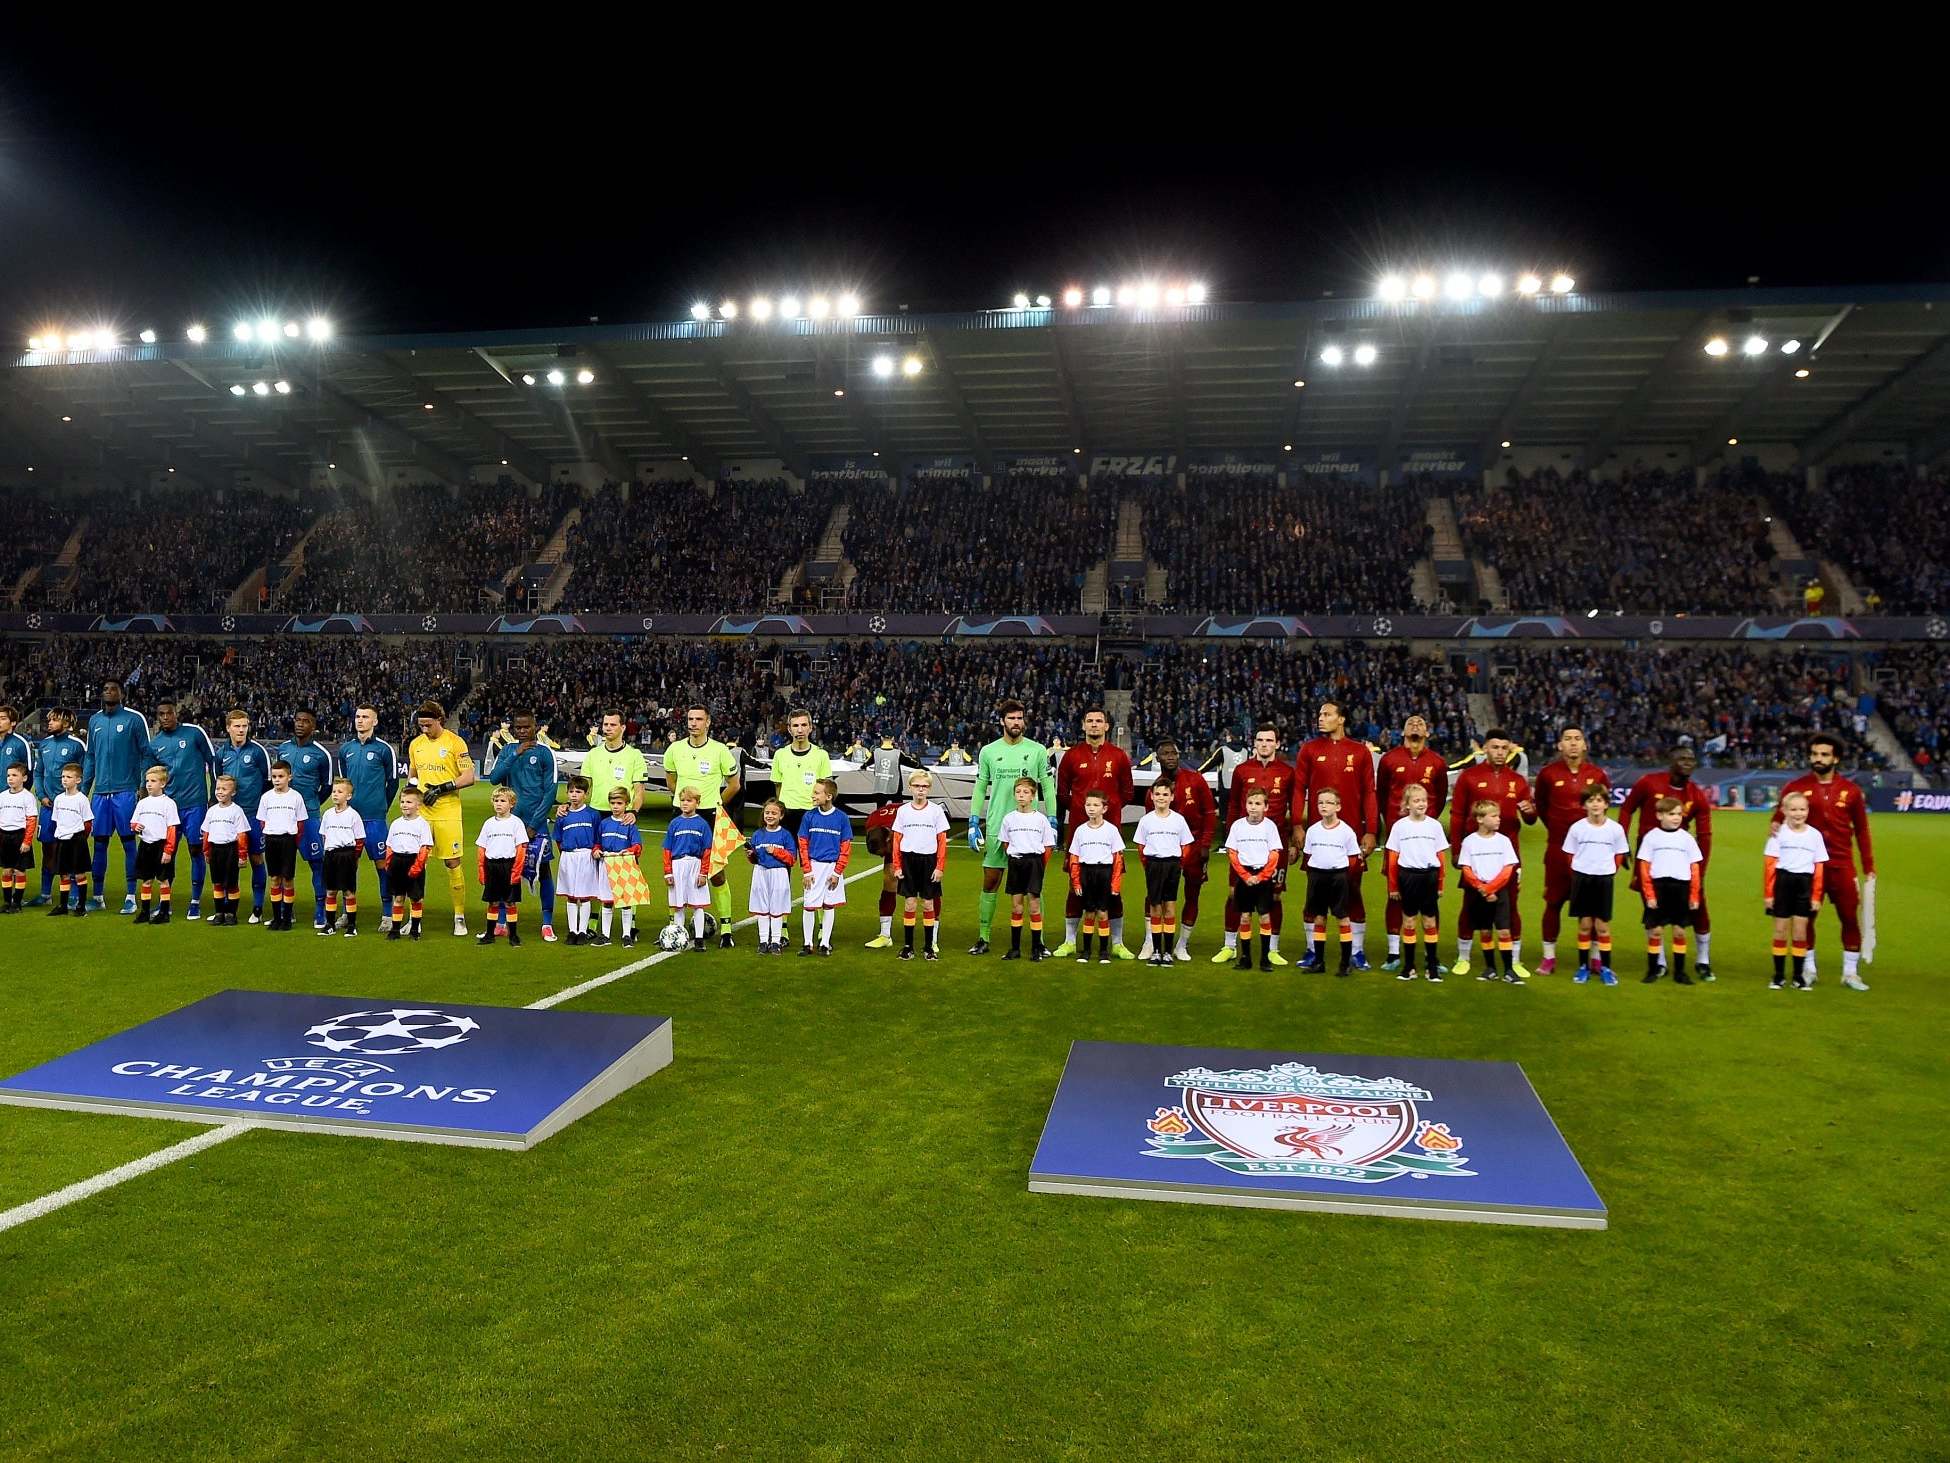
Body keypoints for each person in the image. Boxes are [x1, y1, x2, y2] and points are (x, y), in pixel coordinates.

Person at [1771, 734, 1875, 991]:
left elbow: (1862, 830)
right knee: (1804, 919)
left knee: (1849, 917)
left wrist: (1868, 866)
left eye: (1824, 754)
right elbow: (1777, 822)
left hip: (1841, 864)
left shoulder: (1851, 791)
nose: (1818, 759)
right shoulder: (1795, 788)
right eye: (1815, 754)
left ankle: (1850, 973)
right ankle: (1808, 968)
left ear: (1835, 758)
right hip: (1807, 868)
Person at [967, 699, 1057, 955]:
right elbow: (980, 787)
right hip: (998, 826)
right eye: (1011, 718)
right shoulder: (988, 751)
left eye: (1019, 718)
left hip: (1030, 831)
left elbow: (1048, 787)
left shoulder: (1038, 750)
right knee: (991, 882)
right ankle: (983, 938)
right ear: (1002, 721)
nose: (1016, 723)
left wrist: (1052, 820)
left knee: (1033, 890)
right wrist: (974, 821)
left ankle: (1037, 942)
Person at [1297, 700, 1379, 971]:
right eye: (1319, 713)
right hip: (1319, 837)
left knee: (1353, 893)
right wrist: (1298, 824)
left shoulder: (1359, 752)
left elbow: (1369, 791)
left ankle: (1356, 951)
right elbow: (1299, 790)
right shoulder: (1309, 750)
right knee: (1314, 896)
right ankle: (1312, 950)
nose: (1321, 718)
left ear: (1341, 719)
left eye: (1327, 714)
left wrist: (1371, 830)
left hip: (1350, 837)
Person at [1620, 745, 1715, 978]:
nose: (1687, 762)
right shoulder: (1649, 783)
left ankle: (1703, 960)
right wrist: (1621, 846)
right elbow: (1626, 809)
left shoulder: (1696, 794)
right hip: (1650, 857)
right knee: (1653, 908)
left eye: (1691, 759)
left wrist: (1699, 871)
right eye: (1681, 758)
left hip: (1682, 861)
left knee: (1698, 909)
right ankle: (1659, 962)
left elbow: (1705, 834)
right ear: (1669, 761)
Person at [1447, 730, 1536, 978]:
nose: (1499, 752)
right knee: (1470, 906)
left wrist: (1529, 811)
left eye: (1504, 748)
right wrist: (1456, 849)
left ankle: (1514, 961)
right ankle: (1463, 956)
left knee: (1511, 907)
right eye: (1495, 747)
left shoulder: (1517, 781)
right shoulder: (1470, 777)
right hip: (1475, 854)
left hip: (1508, 855)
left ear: (1509, 750)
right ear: (1485, 748)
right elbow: (1456, 815)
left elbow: (1530, 818)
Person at [1052, 708, 1135, 958]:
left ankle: (1117, 943)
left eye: (1099, 721)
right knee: (1075, 887)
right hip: (1080, 832)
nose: (1094, 725)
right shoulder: (1071, 756)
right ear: (1083, 725)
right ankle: (1069, 941)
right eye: (1090, 721)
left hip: (1110, 835)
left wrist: (1110, 811)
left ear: (1107, 726)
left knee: (1114, 889)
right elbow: (1061, 793)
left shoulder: (1119, 756)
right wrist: (1080, 810)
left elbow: (1128, 792)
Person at [1212, 725, 1297, 965]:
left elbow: (1293, 807)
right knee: (1234, 895)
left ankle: (1272, 949)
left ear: (1277, 744)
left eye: (1269, 740)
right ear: (1255, 742)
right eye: (1260, 740)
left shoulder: (1287, 772)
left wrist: (1292, 842)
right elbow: (1232, 806)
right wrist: (1229, 835)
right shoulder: (1241, 770)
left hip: (1274, 845)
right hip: (1244, 846)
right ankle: (1230, 946)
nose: (1264, 744)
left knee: (1275, 897)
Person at [662, 705, 742, 947]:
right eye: (690, 719)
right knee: (677, 871)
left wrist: (716, 803)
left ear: (708, 722)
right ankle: (674, 928)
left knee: (715, 873)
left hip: (709, 816)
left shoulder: (719, 750)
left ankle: (726, 929)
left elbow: (734, 784)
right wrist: (686, 803)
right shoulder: (674, 749)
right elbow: (671, 781)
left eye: (698, 719)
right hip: (681, 815)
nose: (693, 723)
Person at [1533, 726, 1610, 975]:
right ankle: (1548, 957)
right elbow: (1542, 807)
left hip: (1591, 853)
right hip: (1557, 849)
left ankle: (1595, 959)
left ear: (1585, 745)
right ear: (1560, 745)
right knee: (1553, 902)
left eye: (1578, 739)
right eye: (1568, 739)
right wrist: (1558, 831)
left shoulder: (1597, 774)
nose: (1573, 743)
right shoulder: (1547, 774)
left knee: (1593, 908)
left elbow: (1604, 809)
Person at [1376, 715, 1448, 972]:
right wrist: (1395, 823)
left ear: (1428, 732)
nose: (1415, 725)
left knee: (1430, 900)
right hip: (1399, 837)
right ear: (1402, 730)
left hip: (1424, 838)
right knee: (1394, 894)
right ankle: (1395, 952)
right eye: (1410, 722)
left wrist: (1424, 824)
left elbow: (1439, 799)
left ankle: (1432, 957)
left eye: (1420, 723)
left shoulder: (1437, 762)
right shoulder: (1389, 760)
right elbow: (1381, 794)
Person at [486, 711, 562, 942]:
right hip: (508, 824)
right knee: (504, 869)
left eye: (525, 727)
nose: (521, 731)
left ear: (534, 727)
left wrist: (533, 824)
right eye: (517, 728)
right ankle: (501, 921)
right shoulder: (509, 750)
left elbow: (550, 792)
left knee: (543, 870)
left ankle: (547, 923)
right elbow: (494, 778)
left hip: (535, 824)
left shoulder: (545, 752)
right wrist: (515, 754)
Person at [407, 700, 478, 937]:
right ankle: (414, 917)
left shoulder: (455, 743)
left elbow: (469, 776)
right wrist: (412, 793)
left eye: (428, 725)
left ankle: (459, 917)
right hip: (423, 812)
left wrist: (441, 788)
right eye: (421, 726)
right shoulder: (416, 744)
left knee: (452, 863)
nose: (424, 730)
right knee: (417, 862)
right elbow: (413, 775)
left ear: (440, 720)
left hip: (447, 810)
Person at [84, 679, 150, 913]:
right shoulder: (95, 721)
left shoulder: (134, 719)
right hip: (101, 793)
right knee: (99, 844)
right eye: (105, 689)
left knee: (129, 844)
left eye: (113, 689)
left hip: (125, 792)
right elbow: (90, 756)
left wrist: (142, 788)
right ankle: (98, 897)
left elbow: (146, 754)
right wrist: (84, 790)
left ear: (121, 693)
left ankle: (131, 896)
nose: (108, 692)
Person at [147, 702, 216, 920]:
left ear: (176, 714)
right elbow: (150, 774)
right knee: (167, 854)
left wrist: (213, 794)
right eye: (161, 714)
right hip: (168, 807)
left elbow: (212, 761)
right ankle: (164, 902)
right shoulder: (155, 743)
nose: (165, 717)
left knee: (196, 850)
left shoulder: (194, 733)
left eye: (169, 713)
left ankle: (195, 901)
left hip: (194, 804)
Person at [1149, 739, 1215, 962]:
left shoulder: (1194, 779)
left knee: (1192, 893)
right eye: (1165, 753)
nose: (1170, 757)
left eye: (1173, 753)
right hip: (1165, 851)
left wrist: (1205, 843)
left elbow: (1209, 812)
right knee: (1155, 895)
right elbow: (1150, 822)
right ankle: (1152, 942)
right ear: (1157, 758)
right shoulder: (1156, 789)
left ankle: (1182, 944)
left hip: (1194, 847)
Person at [341, 704, 402, 932]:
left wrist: (382, 805)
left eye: (365, 717)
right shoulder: (346, 749)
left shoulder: (384, 750)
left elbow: (393, 782)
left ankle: (387, 914)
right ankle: (349, 912)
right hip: (350, 819)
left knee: (382, 865)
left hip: (375, 818)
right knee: (349, 866)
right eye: (357, 716)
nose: (360, 720)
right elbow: (345, 783)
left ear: (375, 721)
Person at [1562, 787, 1629, 985]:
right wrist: (1580, 870)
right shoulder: (1577, 828)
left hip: (1603, 880)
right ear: (1584, 805)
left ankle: (1606, 967)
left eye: (1599, 800)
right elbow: (1569, 854)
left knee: (1602, 926)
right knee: (1584, 925)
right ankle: (1583, 967)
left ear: (1606, 804)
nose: (1595, 804)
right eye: (1591, 800)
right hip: (1582, 878)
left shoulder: (1615, 829)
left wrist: (1608, 871)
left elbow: (1619, 855)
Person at [276, 708, 336, 930]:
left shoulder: (322, 754)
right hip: (283, 817)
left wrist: (310, 804)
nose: (300, 724)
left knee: (317, 863)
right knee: (283, 867)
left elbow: (327, 786)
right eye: (298, 720)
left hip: (309, 817)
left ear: (313, 726)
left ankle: (321, 909)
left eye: (306, 721)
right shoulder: (283, 749)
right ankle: (285, 910)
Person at [1637, 797, 1704, 985]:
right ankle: (1652, 970)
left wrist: (1694, 895)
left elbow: (1695, 869)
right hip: (1659, 888)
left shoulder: (1687, 838)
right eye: (1671, 814)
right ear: (1659, 815)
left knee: (1679, 932)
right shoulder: (1651, 837)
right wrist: (1649, 895)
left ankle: (1680, 972)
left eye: (1679, 814)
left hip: (1681, 888)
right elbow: (1644, 867)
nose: (1676, 818)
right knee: (1655, 931)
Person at [1383, 782, 1446, 982]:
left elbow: (1441, 856)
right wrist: (1392, 886)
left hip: (1429, 876)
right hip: (1407, 876)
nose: (1421, 804)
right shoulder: (1400, 826)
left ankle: (1432, 966)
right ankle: (1409, 966)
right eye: (1416, 800)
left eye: (1424, 800)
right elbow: (1393, 857)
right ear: (1407, 804)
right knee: (1408, 921)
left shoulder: (1434, 825)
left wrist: (1441, 884)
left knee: (1429, 921)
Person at [1764, 792, 1827, 991]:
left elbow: (1819, 868)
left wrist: (1816, 896)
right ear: (1784, 811)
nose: (1798, 813)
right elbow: (1770, 865)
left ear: (1808, 811)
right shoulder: (1778, 834)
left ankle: (1799, 977)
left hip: (1804, 885)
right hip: (1783, 883)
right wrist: (1768, 894)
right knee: (1780, 930)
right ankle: (1778, 976)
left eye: (1802, 809)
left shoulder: (1815, 835)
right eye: (1793, 809)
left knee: (1800, 932)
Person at [215, 710, 273, 923]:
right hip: (229, 816)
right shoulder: (221, 754)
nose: (241, 730)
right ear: (228, 727)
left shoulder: (258, 752)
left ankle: (257, 908)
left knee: (256, 858)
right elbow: (217, 782)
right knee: (229, 862)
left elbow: (268, 784)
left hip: (252, 815)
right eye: (237, 726)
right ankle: (229, 909)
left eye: (244, 726)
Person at [1457, 800, 1521, 984]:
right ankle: (1490, 968)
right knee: (1485, 931)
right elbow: (1467, 869)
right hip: (1480, 892)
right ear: (1480, 819)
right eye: (1493, 816)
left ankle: (1509, 969)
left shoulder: (1504, 841)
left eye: (1498, 815)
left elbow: (1508, 869)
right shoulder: (1469, 842)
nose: (1498, 819)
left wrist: (1491, 889)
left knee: (1503, 931)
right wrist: (1481, 888)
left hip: (1499, 892)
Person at [1301, 789, 1363, 976]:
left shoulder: (1346, 831)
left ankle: (1345, 963)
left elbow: (1353, 858)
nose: (1324, 806)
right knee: (1319, 917)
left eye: (1328, 803)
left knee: (1342, 918)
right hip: (1317, 876)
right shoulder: (1312, 830)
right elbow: (1309, 854)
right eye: (1320, 803)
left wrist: (1345, 878)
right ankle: (1319, 962)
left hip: (1338, 877)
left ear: (1338, 806)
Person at [996, 775, 1057, 961]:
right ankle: (1015, 949)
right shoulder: (1008, 819)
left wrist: (1038, 865)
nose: (1021, 796)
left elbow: (1048, 847)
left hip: (1034, 863)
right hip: (1016, 863)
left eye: (1026, 792)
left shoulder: (1040, 819)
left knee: (1034, 905)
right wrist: (1016, 857)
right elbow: (1006, 844)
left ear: (1033, 796)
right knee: (1016, 906)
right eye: (1018, 792)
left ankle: (1036, 947)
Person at [1134, 780, 1194, 967]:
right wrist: (1148, 864)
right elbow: (1141, 846)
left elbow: (1186, 845)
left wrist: (1178, 864)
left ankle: (1168, 951)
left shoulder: (1178, 820)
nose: (1161, 798)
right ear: (1152, 796)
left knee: (1169, 906)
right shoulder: (1146, 820)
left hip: (1172, 864)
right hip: (1154, 864)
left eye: (1165, 794)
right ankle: (1156, 950)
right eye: (1158, 794)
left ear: (1172, 797)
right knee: (1155, 906)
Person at [29, 709, 86, 907]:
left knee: (70, 850)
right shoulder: (44, 745)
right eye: (49, 720)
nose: (50, 723)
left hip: (69, 809)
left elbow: (85, 774)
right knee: (48, 849)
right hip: (48, 808)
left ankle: (73, 894)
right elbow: (38, 773)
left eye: (54, 720)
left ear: (66, 721)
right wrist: (42, 796)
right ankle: (45, 894)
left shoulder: (77, 745)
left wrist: (77, 799)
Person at [891, 770, 949, 961]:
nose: (920, 790)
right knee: (909, 902)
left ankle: (928, 946)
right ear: (910, 788)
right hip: (908, 860)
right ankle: (908, 946)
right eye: (916, 786)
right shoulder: (903, 811)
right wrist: (897, 865)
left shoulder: (936, 810)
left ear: (929, 789)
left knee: (928, 903)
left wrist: (939, 867)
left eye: (924, 786)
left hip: (929, 861)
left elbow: (941, 840)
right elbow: (897, 840)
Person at [1223, 789, 1280, 971]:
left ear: (1266, 807)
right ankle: (1245, 957)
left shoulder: (1270, 826)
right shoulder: (1238, 826)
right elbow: (1232, 853)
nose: (1253, 808)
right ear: (1245, 805)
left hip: (1263, 876)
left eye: (1258, 804)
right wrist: (1246, 876)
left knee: (1264, 916)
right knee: (1245, 916)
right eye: (1250, 804)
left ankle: (1264, 958)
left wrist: (1262, 876)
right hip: (1245, 876)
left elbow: (1274, 854)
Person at [1067, 790, 1125, 965]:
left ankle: (1103, 951)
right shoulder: (1080, 830)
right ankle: (1085, 951)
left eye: (1095, 805)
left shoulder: (1111, 830)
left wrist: (1115, 883)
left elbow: (1118, 859)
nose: (1091, 809)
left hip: (1104, 873)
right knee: (1089, 912)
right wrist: (1076, 880)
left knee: (1103, 913)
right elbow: (1074, 859)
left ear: (1104, 809)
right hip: (1087, 872)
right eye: (1088, 805)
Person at [797, 777, 852, 957]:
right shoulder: (809, 816)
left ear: (828, 796)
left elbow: (845, 848)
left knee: (829, 905)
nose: (812, 795)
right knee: (809, 905)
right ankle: (807, 943)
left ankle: (825, 943)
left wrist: (837, 872)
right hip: (813, 867)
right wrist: (807, 870)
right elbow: (802, 844)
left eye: (816, 792)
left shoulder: (842, 818)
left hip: (832, 869)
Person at [552, 775, 604, 946]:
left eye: (578, 792)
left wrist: (595, 851)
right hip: (569, 856)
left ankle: (583, 931)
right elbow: (558, 839)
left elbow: (598, 836)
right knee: (571, 896)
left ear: (586, 794)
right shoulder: (562, 815)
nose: (574, 795)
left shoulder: (593, 814)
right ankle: (572, 930)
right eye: (571, 791)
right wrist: (566, 854)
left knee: (585, 895)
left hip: (586, 856)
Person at [255, 759, 306, 932]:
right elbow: (262, 821)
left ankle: (287, 917)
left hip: (288, 840)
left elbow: (300, 824)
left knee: (288, 878)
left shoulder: (296, 797)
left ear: (289, 777)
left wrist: (292, 840)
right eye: (274, 776)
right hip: (272, 840)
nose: (277, 780)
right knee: (274, 878)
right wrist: (270, 832)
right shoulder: (266, 797)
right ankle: (276, 917)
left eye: (281, 776)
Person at [475, 786, 529, 947]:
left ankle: (513, 935)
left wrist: (516, 871)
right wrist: (481, 869)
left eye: (503, 801)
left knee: (510, 902)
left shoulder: (516, 823)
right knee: (492, 902)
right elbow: (481, 848)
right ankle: (489, 934)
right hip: (492, 866)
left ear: (511, 804)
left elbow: (521, 848)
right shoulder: (489, 824)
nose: (498, 804)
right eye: (496, 801)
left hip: (509, 865)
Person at [661, 786, 713, 952]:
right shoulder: (674, 823)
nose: (685, 803)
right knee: (678, 904)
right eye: (682, 800)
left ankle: (699, 939)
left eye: (689, 801)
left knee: (698, 905)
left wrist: (703, 872)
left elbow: (707, 851)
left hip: (695, 865)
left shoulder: (703, 824)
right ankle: (678, 935)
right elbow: (667, 849)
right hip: (677, 865)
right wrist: (668, 871)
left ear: (697, 803)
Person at [745, 798, 798, 954]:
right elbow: (755, 859)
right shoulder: (757, 835)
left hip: (779, 873)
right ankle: (763, 941)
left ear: (781, 816)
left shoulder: (786, 835)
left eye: (774, 813)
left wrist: (775, 851)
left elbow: (791, 859)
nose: (770, 816)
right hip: (761, 872)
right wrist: (751, 855)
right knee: (762, 908)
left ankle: (775, 941)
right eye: (767, 812)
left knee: (776, 908)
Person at [130, 764, 181, 924]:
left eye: (153, 781)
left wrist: (168, 850)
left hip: (161, 845)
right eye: (147, 781)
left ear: (163, 784)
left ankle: (164, 912)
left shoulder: (169, 804)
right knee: (146, 879)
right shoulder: (142, 803)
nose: (149, 784)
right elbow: (134, 822)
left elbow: (172, 828)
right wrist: (135, 827)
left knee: (163, 879)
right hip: (146, 845)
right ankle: (144, 911)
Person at [381, 787, 434, 941]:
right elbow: (389, 845)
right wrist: (388, 863)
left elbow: (425, 847)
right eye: (403, 801)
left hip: (413, 862)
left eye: (409, 802)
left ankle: (415, 930)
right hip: (397, 862)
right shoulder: (396, 823)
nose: (404, 805)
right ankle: (395, 929)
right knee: (398, 897)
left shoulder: (422, 824)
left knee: (416, 898)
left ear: (418, 805)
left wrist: (417, 867)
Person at [771, 708, 832, 841]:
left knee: (810, 860)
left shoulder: (821, 755)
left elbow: (825, 790)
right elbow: (778, 787)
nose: (800, 730)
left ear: (810, 728)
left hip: (812, 813)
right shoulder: (780, 755)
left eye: (804, 725)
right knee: (785, 859)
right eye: (795, 725)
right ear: (789, 729)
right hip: (787, 814)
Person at [200, 776, 252, 927]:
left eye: (224, 789)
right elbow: (206, 834)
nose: (220, 792)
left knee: (231, 883)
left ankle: (231, 913)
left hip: (230, 849)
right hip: (215, 849)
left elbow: (241, 835)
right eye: (218, 789)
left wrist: (242, 855)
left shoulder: (236, 811)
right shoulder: (212, 811)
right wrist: (207, 852)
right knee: (217, 882)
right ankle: (219, 912)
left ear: (233, 792)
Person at [317, 777, 365, 937]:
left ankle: (352, 925)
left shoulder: (353, 815)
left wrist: (354, 858)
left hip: (347, 855)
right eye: (334, 791)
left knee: (348, 892)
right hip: (331, 855)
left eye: (340, 792)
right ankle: (330, 924)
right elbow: (324, 835)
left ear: (348, 796)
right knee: (330, 891)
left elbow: (359, 839)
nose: (335, 795)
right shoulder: (328, 814)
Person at [48, 763, 93, 916]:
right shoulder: (59, 799)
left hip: (77, 840)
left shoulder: (82, 799)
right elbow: (56, 820)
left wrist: (81, 839)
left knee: (79, 874)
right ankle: (63, 905)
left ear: (78, 780)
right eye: (63, 777)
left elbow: (88, 823)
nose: (65, 780)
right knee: (63, 873)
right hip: (62, 839)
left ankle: (81, 905)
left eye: (69, 777)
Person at [862, 796, 904, 948]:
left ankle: (931, 938)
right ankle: (885, 935)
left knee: (926, 887)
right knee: (889, 879)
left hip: (917, 843)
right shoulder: (872, 822)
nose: (882, 856)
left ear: (888, 839)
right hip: (895, 837)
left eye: (882, 853)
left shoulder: (904, 820)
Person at [0, 762, 37, 913]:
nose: (10, 778)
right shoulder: (2, 796)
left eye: (15, 775)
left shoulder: (28, 797)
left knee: (19, 871)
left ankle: (17, 902)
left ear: (24, 778)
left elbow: (31, 820)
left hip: (19, 836)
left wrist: (27, 841)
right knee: (6, 871)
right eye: (8, 775)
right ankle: (7, 902)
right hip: (3, 836)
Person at [0, 704, 32, 788]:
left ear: (13, 722)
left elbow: (28, 771)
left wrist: (18, 795)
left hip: (10, 796)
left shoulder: (20, 743)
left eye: (3, 719)